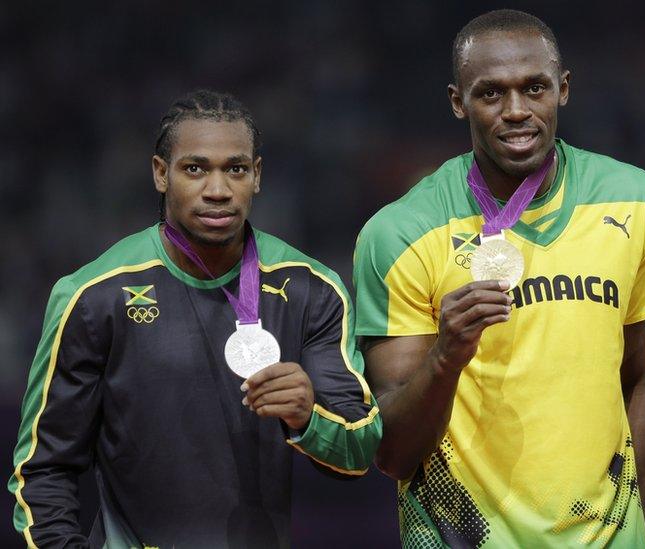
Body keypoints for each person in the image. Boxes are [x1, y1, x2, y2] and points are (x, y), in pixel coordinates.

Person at [8, 90, 381, 548]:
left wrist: (308, 418)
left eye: (236, 169)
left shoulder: (312, 291)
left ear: (257, 176)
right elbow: (43, 472)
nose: (218, 190)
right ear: (161, 174)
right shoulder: (91, 296)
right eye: (195, 168)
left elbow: (360, 450)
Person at [353, 9, 645, 548]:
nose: (517, 111)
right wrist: (445, 356)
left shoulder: (635, 201)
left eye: (535, 88)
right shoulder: (400, 232)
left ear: (563, 89)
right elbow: (393, 453)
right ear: (458, 102)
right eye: (491, 94)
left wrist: (641, 529)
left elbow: (640, 376)